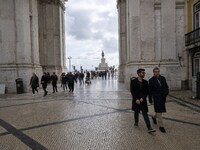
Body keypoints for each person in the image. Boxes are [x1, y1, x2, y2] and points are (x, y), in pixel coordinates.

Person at [130, 69, 156, 133]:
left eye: (144, 73)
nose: (144, 74)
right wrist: (136, 99)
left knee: (145, 114)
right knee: (136, 112)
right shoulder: (133, 82)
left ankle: (149, 127)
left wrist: (143, 98)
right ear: (138, 73)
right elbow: (132, 91)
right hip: (136, 100)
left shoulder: (145, 82)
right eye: (142, 73)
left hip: (142, 101)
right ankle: (136, 122)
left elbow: (146, 92)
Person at [149, 67, 169, 133]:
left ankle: (154, 117)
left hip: (163, 97)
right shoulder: (151, 80)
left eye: (158, 71)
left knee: (159, 110)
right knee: (159, 111)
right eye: (155, 72)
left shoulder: (163, 78)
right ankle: (161, 126)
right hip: (156, 97)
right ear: (153, 72)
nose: (157, 73)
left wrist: (166, 93)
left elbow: (166, 86)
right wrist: (150, 99)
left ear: (159, 72)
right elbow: (150, 91)